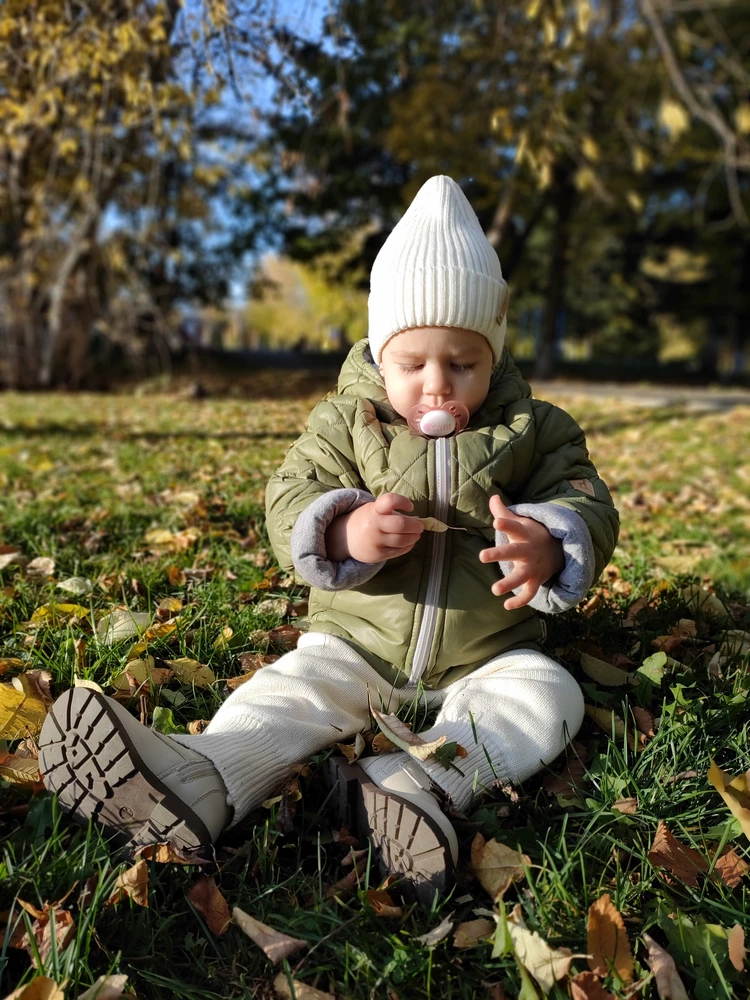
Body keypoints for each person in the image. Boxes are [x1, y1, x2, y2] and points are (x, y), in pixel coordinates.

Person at [39, 176, 618, 903]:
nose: (438, 386)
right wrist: (344, 529)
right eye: (413, 364)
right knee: (291, 692)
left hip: (490, 653)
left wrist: (551, 542)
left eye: (463, 363)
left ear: (494, 355)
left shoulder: (536, 429)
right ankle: (205, 775)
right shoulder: (345, 423)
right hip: (357, 641)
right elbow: (288, 498)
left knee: (547, 692)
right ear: (381, 354)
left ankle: (420, 785)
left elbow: (587, 498)